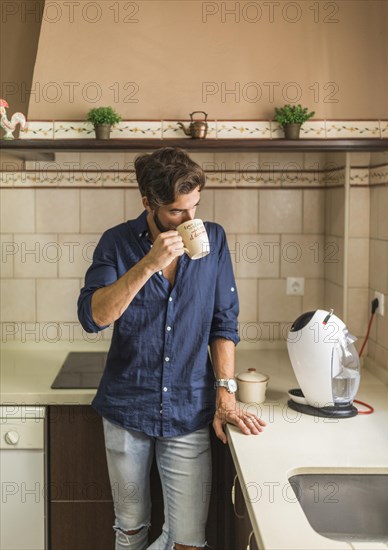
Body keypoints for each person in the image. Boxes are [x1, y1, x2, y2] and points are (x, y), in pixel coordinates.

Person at [77, 147, 266, 550]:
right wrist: (148, 264)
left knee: (188, 541)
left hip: (188, 408)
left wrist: (226, 396)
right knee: (130, 529)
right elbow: (93, 317)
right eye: (177, 212)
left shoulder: (212, 238)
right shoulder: (117, 242)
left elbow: (223, 321)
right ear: (148, 202)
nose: (190, 219)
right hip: (127, 405)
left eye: (195, 206)